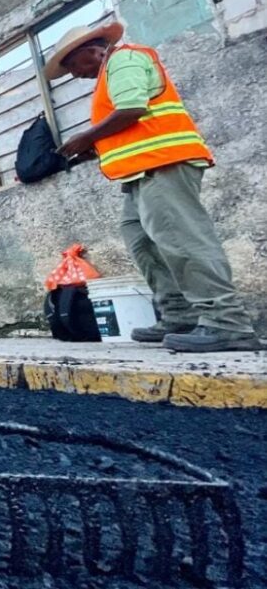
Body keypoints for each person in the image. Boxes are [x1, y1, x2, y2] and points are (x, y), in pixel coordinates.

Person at [49, 23, 260, 352]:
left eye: (74, 67)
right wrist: (91, 150)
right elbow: (129, 128)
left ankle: (226, 322)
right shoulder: (110, 73)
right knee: (142, 242)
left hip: (165, 163)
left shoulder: (124, 60)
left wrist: (85, 137)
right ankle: (180, 314)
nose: (75, 76)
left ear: (92, 51)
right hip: (139, 173)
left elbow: (133, 109)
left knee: (183, 240)